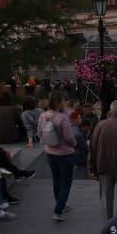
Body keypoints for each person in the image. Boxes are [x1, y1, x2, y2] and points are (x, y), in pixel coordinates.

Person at [39, 91, 77, 221]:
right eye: (64, 101)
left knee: (56, 180)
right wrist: (74, 143)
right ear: (60, 102)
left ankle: (60, 204)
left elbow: (39, 132)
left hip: (50, 152)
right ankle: (58, 210)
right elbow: (68, 137)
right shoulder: (62, 118)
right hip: (65, 153)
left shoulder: (43, 115)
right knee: (66, 182)